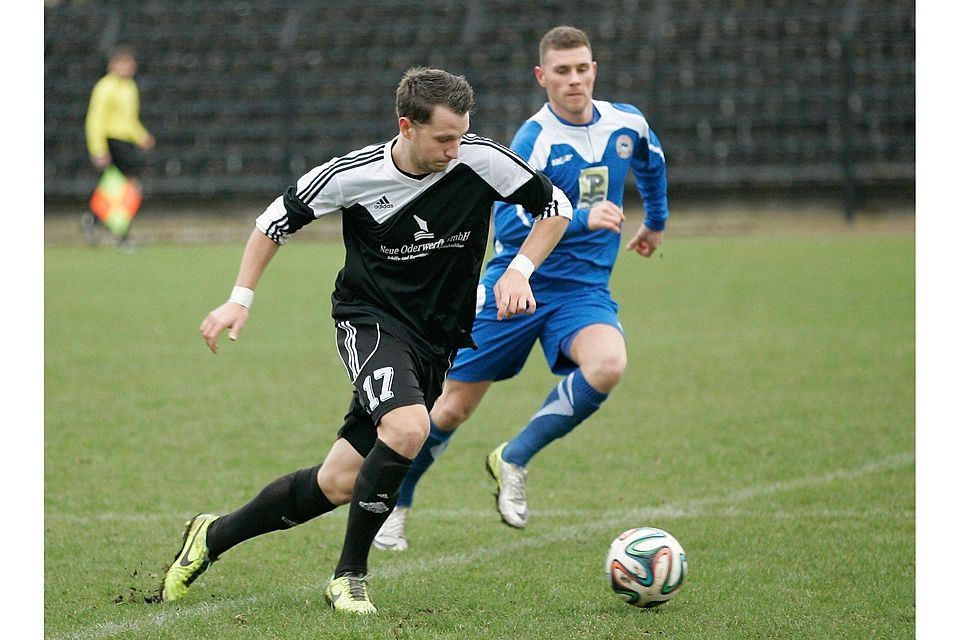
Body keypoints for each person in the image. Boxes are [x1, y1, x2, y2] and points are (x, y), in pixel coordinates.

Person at [159, 67, 572, 615]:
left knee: (338, 482)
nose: (456, 148)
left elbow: (556, 206)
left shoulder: (480, 159)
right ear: (407, 126)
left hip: (436, 338)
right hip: (370, 320)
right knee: (408, 427)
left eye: (462, 134)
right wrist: (240, 298)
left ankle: (210, 538)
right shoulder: (353, 174)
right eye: (444, 137)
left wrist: (519, 269)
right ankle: (348, 577)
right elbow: (272, 222)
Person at [373, 26, 669, 551]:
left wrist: (656, 221)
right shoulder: (535, 138)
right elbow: (508, 224)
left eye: (582, 68)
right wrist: (582, 217)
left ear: (594, 70)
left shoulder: (628, 123)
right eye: (562, 71)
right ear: (542, 77)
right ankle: (399, 502)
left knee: (609, 364)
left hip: (582, 291)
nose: (573, 79)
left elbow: (652, 163)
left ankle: (514, 456)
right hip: (517, 284)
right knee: (450, 409)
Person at [83, 45, 155, 248]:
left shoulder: (129, 87)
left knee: (116, 189)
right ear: (111, 65)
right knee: (128, 189)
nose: (127, 67)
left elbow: (129, 119)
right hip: (112, 141)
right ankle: (121, 235)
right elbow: (95, 120)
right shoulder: (105, 87)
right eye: (122, 63)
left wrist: (142, 137)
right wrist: (98, 150)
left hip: (125, 142)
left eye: (129, 63)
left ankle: (93, 220)